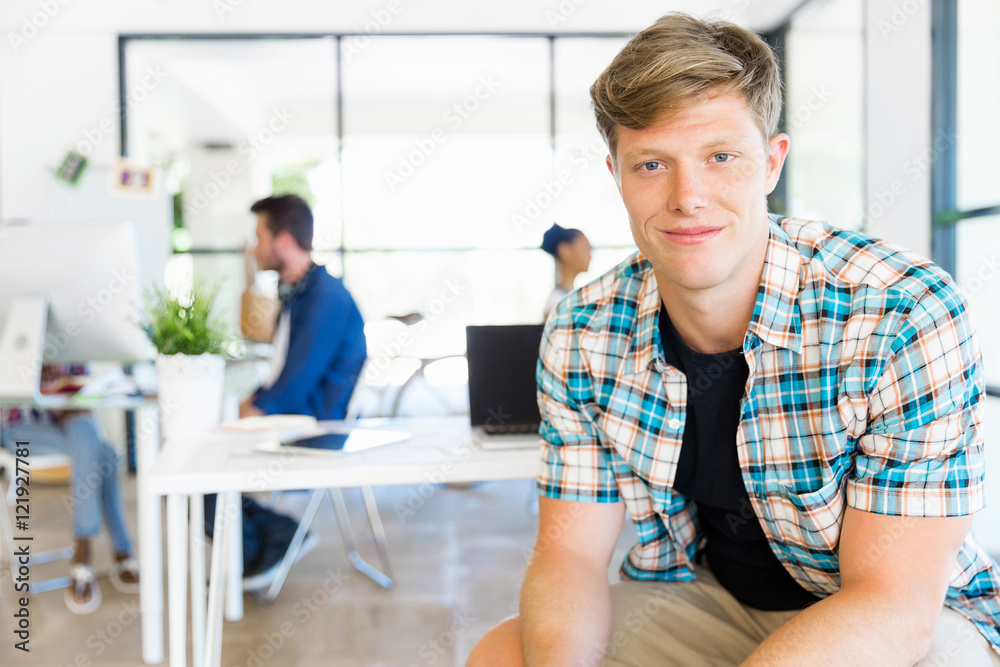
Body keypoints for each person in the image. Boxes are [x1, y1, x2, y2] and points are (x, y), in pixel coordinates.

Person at [469, 13, 1000, 666]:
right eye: (652, 163)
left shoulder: (901, 312)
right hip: (715, 598)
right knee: (503, 654)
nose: (688, 196)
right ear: (616, 174)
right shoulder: (583, 331)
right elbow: (570, 556)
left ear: (770, 162)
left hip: (903, 611)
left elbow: (894, 603)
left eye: (721, 156)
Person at [204, 193, 368, 591]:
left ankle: (274, 542)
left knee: (203, 473)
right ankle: (272, 541)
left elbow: (294, 385)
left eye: (260, 236)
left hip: (313, 431)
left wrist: (247, 412)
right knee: (205, 463)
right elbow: (285, 374)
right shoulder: (303, 292)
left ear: (283, 240)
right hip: (294, 418)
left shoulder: (326, 298)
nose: (254, 247)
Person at [0, 365, 139, 615]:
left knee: (90, 435)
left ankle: (84, 553)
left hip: (67, 431)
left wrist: (70, 399)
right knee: (103, 453)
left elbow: (85, 395)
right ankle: (114, 551)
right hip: (19, 431)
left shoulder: (73, 341)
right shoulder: (16, 339)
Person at [540, 223, 592, 320]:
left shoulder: (569, 296)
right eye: (586, 249)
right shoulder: (556, 304)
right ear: (565, 251)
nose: (590, 256)